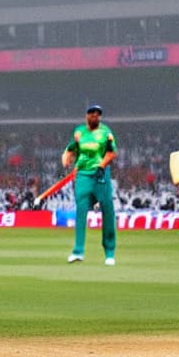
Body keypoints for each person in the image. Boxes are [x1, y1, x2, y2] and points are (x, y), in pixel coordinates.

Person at [62, 105, 118, 265]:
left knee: (107, 210)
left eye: (98, 114)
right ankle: (78, 251)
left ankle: (109, 253)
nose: (95, 116)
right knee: (81, 211)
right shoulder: (79, 132)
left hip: (101, 175)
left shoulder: (106, 132)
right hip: (83, 175)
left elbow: (112, 152)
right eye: (92, 114)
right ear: (87, 116)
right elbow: (72, 148)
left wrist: (102, 165)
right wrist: (66, 157)